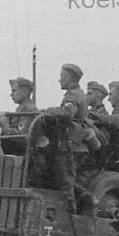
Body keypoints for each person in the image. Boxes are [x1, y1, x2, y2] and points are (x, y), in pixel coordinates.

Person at [43, 63, 89, 212]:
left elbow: (68, 112)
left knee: (65, 184)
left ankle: (71, 218)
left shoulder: (74, 95)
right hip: (71, 144)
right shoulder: (76, 93)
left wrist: (48, 111)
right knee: (65, 181)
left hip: (70, 146)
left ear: (69, 78)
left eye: (62, 77)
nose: (59, 80)